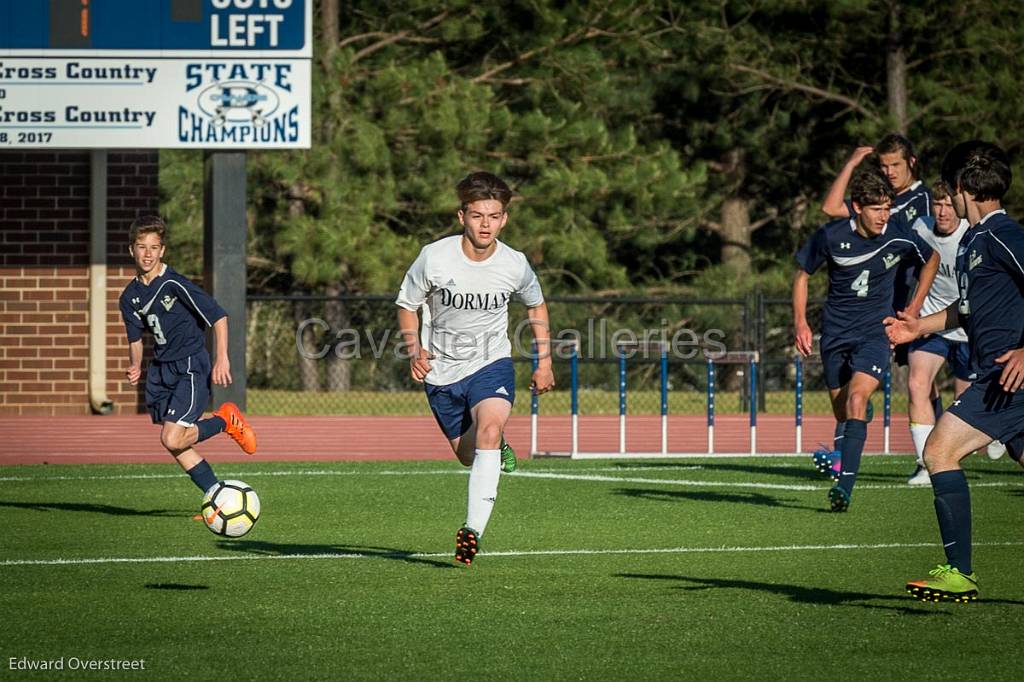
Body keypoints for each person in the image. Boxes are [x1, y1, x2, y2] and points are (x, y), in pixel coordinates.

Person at [885, 141, 1024, 603]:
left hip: (1008, 377)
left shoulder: (1006, 234)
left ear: (962, 188)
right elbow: (965, 312)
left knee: (940, 451)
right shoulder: (972, 241)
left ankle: (958, 571)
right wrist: (916, 327)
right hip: (1002, 375)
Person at [395, 171, 554, 565]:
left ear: (505, 219)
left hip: (491, 362)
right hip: (442, 372)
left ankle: (472, 531)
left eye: (495, 216)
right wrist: (415, 349)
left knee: (488, 426)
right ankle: (494, 448)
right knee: (469, 455)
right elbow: (406, 304)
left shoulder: (514, 264)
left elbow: (535, 304)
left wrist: (545, 360)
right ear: (461, 216)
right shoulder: (434, 257)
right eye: (479, 216)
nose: (487, 225)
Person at [794, 168, 939, 511]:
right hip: (834, 335)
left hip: (875, 334)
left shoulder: (898, 234)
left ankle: (844, 488)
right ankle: (857, 415)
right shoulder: (830, 236)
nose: (883, 216)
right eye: (877, 209)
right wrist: (800, 322)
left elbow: (931, 258)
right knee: (843, 411)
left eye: (888, 208)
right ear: (857, 207)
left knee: (857, 400)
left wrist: (914, 309)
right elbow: (802, 276)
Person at [813, 134, 935, 476]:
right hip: (883, 301)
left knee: (923, 376)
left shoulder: (925, 199)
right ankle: (844, 456)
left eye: (895, 164)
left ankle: (929, 458)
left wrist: (918, 302)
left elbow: (933, 250)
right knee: (900, 381)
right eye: (882, 165)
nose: (889, 171)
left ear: (911, 162)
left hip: (918, 298)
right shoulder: (882, 199)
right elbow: (831, 208)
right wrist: (851, 163)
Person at [119, 216, 256, 499]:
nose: (147, 253)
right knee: (174, 443)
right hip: (160, 371)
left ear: (163, 251)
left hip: (190, 365)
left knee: (171, 436)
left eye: (154, 247)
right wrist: (135, 364)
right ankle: (216, 495)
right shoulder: (129, 296)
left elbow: (218, 316)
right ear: (131, 249)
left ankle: (225, 421)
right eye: (141, 247)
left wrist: (222, 358)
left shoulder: (174, 284)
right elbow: (135, 338)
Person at [904, 182, 972, 486]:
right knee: (917, 382)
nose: (942, 212)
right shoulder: (920, 228)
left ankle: (958, 451)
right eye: (937, 204)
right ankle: (924, 465)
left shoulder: (972, 234)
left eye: (947, 204)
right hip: (932, 323)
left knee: (965, 403)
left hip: (969, 325)